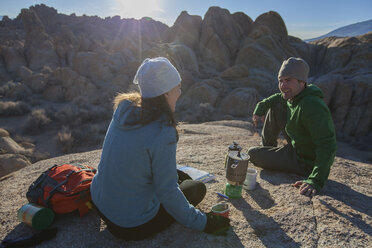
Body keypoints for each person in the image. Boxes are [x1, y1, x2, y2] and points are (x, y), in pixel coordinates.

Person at [90, 57, 230, 241]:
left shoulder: (123, 108)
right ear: (165, 93)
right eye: (177, 88)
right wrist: (204, 222)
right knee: (195, 188)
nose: (180, 92)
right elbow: (168, 192)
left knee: (181, 177)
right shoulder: (161, 131)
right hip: (129, 225)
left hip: (99, 202)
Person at [248, 57, 337, 197]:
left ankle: (267, 154)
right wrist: (261, 106)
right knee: (276, 105)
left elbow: (327, 144)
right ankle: (268, 148)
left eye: (288, 80)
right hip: (297, 148)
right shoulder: (294, 97)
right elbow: (278, 97)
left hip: (304, 162)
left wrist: (315, 180)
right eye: (280, 80)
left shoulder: (312, 106)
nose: (283, 85)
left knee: (252, 154)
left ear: (302, 82)